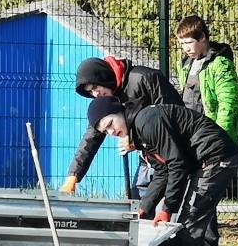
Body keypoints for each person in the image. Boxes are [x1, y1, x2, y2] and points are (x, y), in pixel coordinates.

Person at [88, 97, 238, 246]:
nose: (111, 132)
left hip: (215, 158)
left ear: (120, 111)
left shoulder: (147, 122)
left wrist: (167, 209)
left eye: (111, 124)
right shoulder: (140, 130)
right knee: (190, 227)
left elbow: (177, 164)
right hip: (206, 160)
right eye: (105, 131)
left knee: (189, 226)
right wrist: (144, 207)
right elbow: (161, 171)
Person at [174, 16, 238, 246]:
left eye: (190, 43)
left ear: (203, 38)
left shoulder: (220, 64)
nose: (186, 49)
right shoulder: (186, 65)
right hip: (192, 140)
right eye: (182, 44)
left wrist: (219, 138)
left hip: (212, 141)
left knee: (205, 196)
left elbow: (227, 103)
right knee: (197, 197)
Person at [60, 56, 181, 196]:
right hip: (149, 158)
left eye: (95, 87)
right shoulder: (104, 101)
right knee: (139, 202)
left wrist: (137, 139)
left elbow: (172, 115)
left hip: (174, 155)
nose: (95, 94)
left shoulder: (144, 78)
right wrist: (73, 175)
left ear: (102, 76)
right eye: (90, 92)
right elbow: (90, 138)